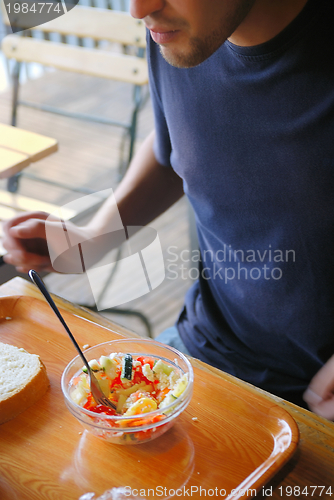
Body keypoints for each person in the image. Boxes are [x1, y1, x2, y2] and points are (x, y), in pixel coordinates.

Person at [3, 0, 334, 419]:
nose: (138, 9)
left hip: (318, 397)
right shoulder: (177, 31)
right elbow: (172, 151)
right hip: (207, 348)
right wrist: (91, 240)